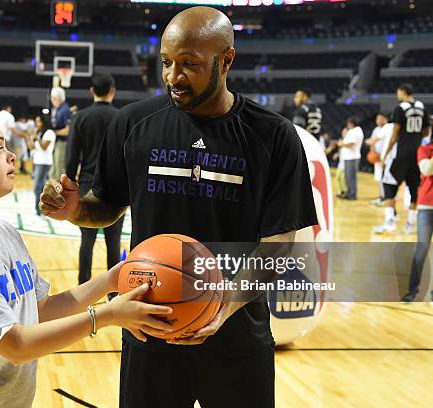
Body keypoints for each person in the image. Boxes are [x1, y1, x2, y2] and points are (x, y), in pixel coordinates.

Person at [39, 7, 317, 407]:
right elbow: (106, 206)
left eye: (189, 64)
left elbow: (279, 244)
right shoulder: (134, 123)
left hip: (236, 335)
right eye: (167, 62)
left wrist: (223, 306)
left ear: (226, 60)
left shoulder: (273, 135)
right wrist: (75, 210)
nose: (173, 76)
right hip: (149, 330)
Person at [0, 112, 172, 407]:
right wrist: (106, 316)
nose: (12, 156)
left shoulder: (2, 231)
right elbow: (15, 345)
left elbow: (37, 311)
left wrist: (110, 279)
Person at [65, 73, 123, 289]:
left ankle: (83, 287)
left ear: (92, 91)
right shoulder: (121, 117)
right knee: (113, 242)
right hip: (115, 187)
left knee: (86, 241)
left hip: (88, 185)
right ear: (112, 90)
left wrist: (69, 184)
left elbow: (72, 157)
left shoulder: (80, 117)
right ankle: (114, 293)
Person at [375, 84, 431, 234]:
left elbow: (395, 133)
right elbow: (426, 132)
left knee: (388, 185)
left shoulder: (400, 108)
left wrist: (385, 154)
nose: (397, 95)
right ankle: (410, 224)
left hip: (401, 154)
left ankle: (389, 222)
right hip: (417, 154)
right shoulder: (421, 106)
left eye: (398, 92)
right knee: (414, 189)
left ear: (403, 92)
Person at [403, 140, 433, 302]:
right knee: (421, 250)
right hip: (427, 206)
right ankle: (412, 290)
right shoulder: (424, 149)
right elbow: (427, 169)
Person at [26, 115, 56, 217]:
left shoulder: (49, 133)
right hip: (37, 161)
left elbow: (44, 147)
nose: (36, 124)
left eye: (38, 121)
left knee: (37, 187)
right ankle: (43, 208)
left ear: (43, 122)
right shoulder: (39, 133)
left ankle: (39, 210)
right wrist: (30, 138)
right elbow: (31, 148)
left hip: (44, 162)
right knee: (41, 186)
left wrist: (36, 138)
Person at [365, 113, 393, 205]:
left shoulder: (389, 127)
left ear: (385, 119)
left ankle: (386, 198)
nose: (377, 120)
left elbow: (372, 141)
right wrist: (373, 152)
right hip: (378, 157)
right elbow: (373, 143)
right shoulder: (376, 129)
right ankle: (382, 196)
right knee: (379, 178)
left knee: (385, 178)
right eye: (376, 118)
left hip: (386, 157)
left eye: (379, 118)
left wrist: (368, 142)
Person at [0, 105, 28, 174]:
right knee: (9, 156)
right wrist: (22, 135)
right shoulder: (9, 116)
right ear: (8, 109)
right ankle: (8, 171)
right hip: (5, 139)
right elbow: (12, 129)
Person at [337, 117, 364, 200]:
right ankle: (348, 193)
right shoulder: (354, 131)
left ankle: (352, 195)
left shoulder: (355, 131)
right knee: (348, 177)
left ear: (351, 123)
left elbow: (351, 143)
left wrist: (341, 144)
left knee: (351, 177)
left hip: (352, 157)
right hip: (348, 157)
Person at [49, 86, 72, 179]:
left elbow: (68, 130)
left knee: (60, 164)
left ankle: (61, 189)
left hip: (62, 142)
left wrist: (54, 132)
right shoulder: (56, 109)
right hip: (56, 141)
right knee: (54, 165)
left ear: (56, 98)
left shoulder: (65, 109)